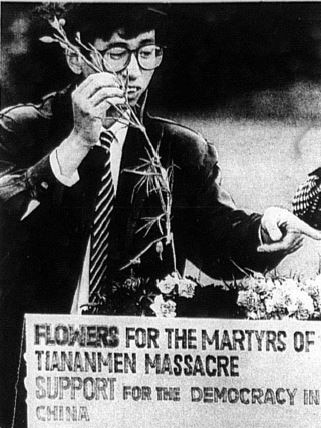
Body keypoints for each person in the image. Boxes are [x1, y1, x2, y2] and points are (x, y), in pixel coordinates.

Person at [0, 4, 321, 427]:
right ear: (75, 56)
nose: (133, 72)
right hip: (32, 366)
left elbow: (217, 240)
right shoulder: (23, 127)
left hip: (133, 369)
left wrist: (265, 229)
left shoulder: (180, 149)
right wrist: (77, 141)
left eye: (147, 52)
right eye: (116, 53)